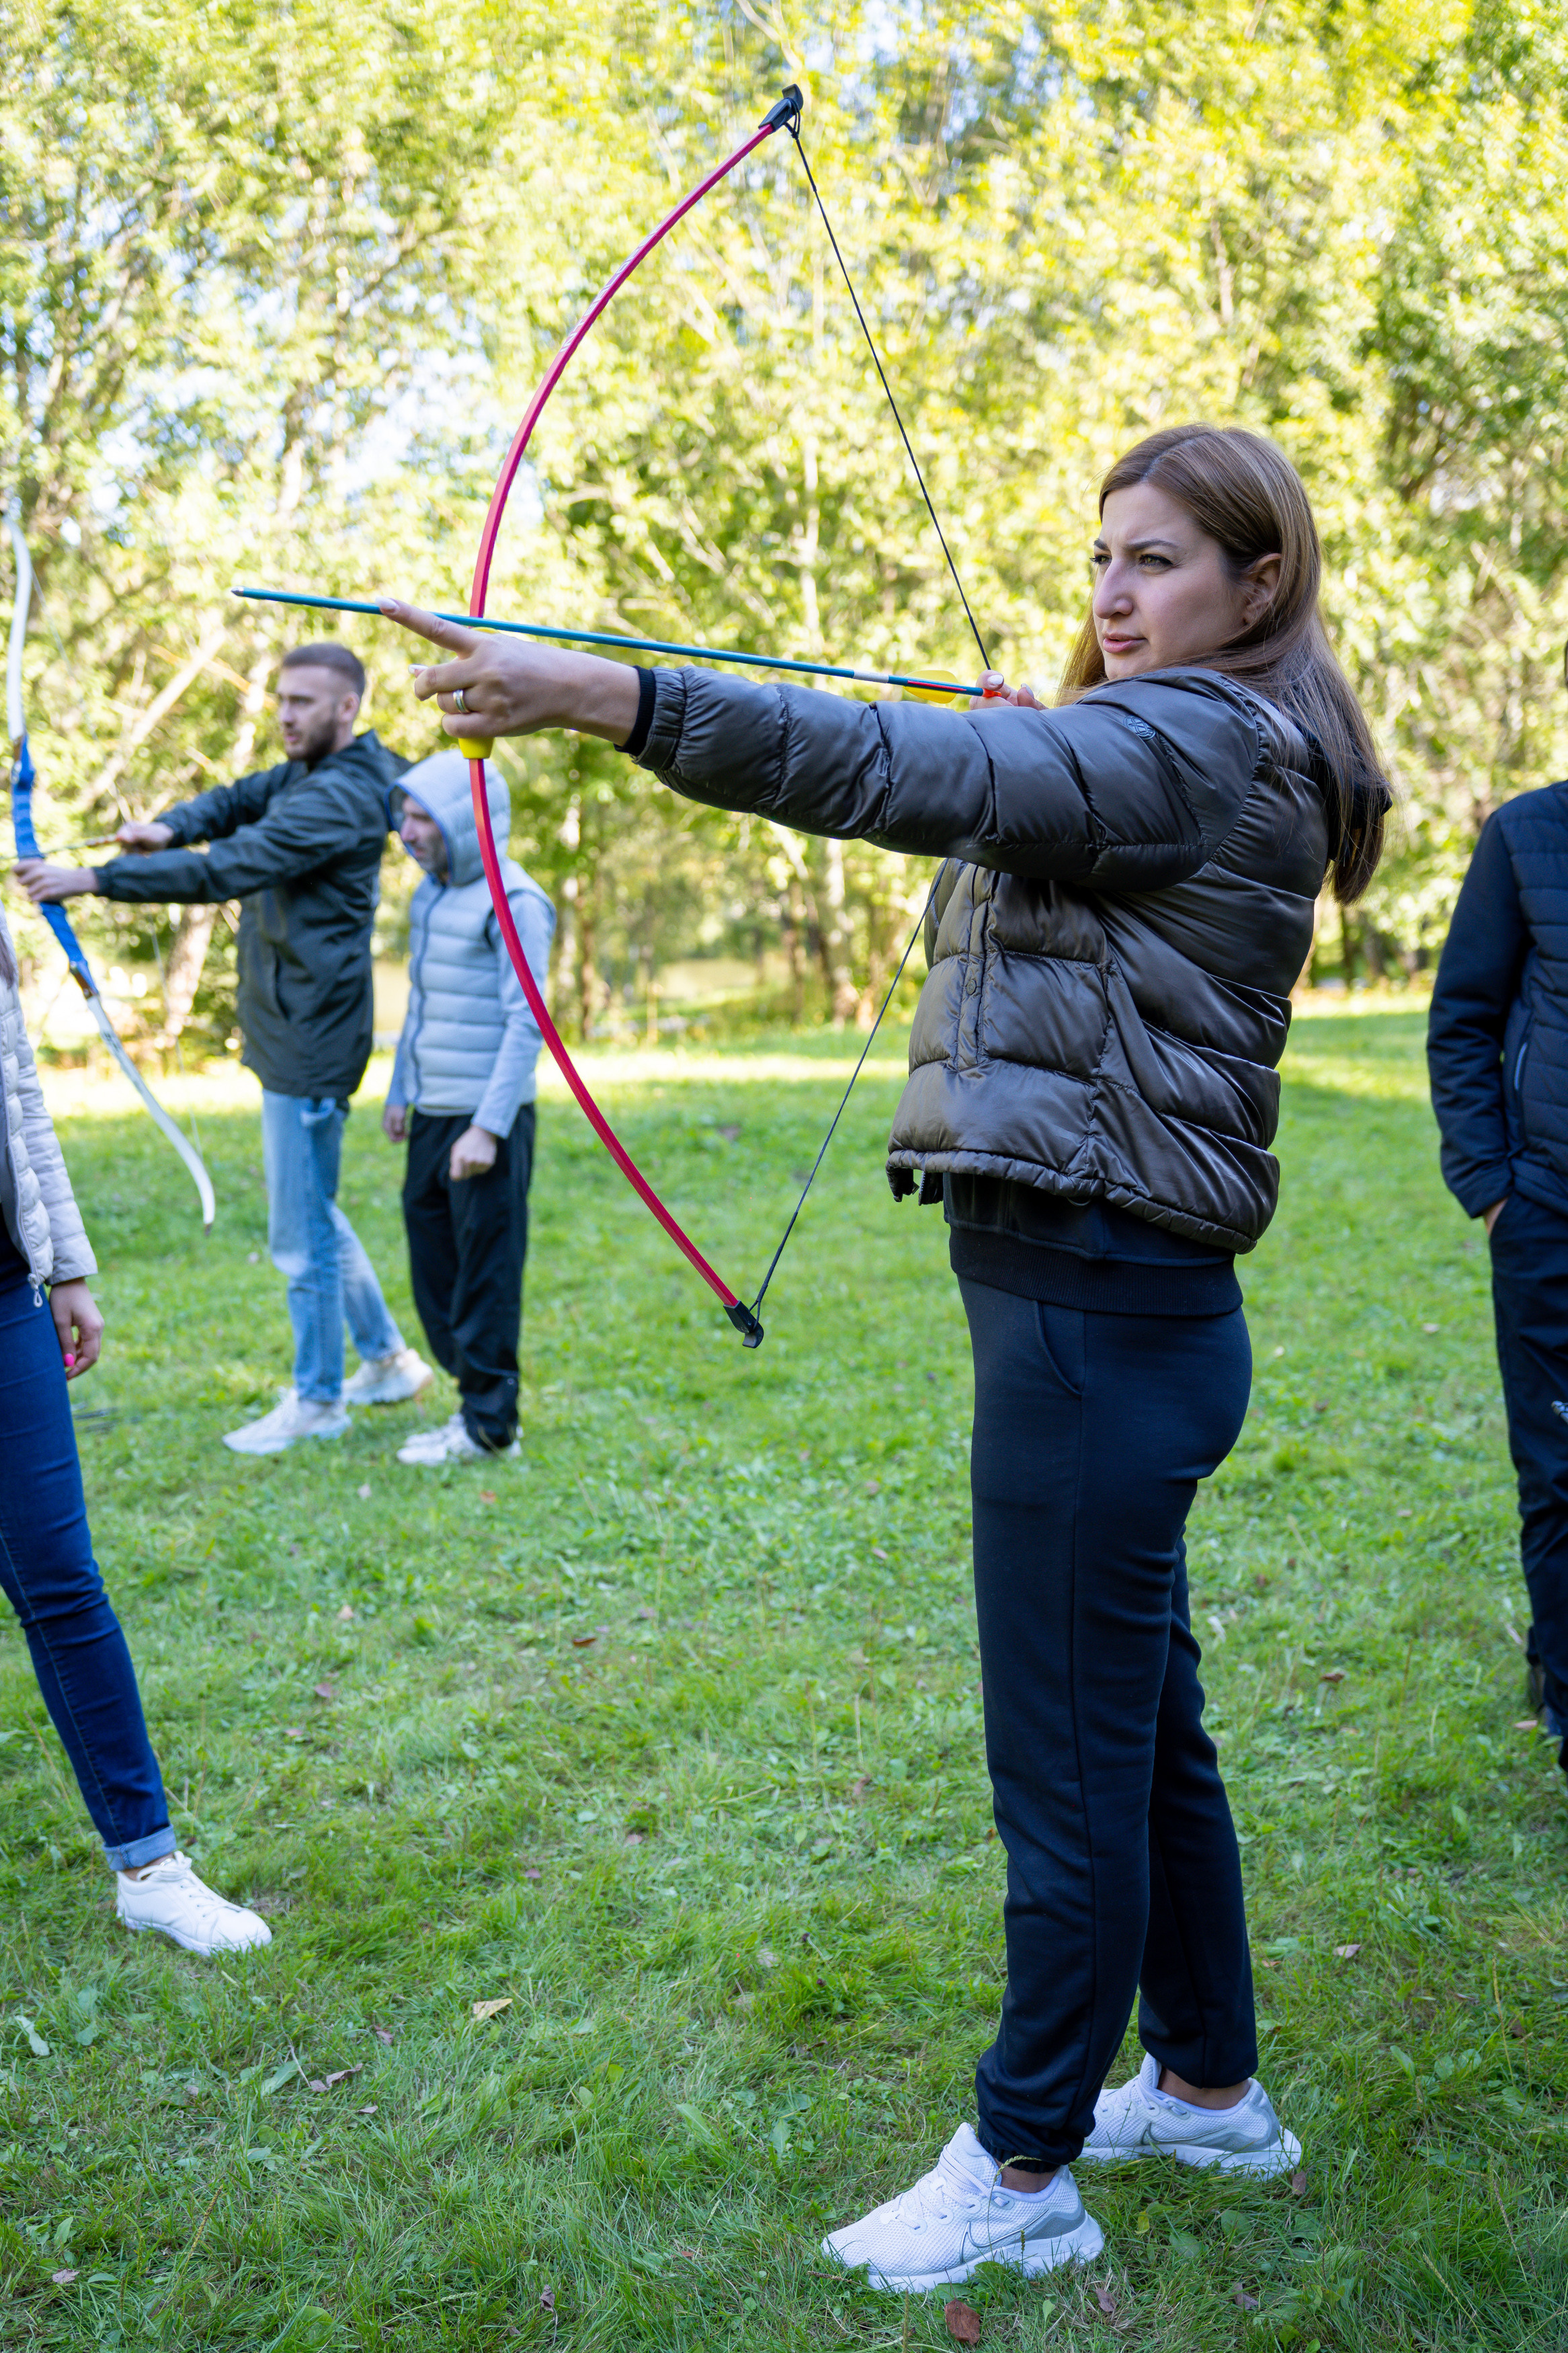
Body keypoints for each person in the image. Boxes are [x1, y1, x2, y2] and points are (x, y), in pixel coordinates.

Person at [379, 421, 1389, 2292]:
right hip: (1112, 1310)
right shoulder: (1183, 736)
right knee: (1139, 1735)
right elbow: (1021, 840)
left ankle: (1022, 2167)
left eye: (1159, 559)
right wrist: (1038, 751)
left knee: (1066, 1766)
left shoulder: (1191, 738)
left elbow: (884, 763)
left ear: (1259, 583)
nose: (1112, 591)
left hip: (1095, 1317)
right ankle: (1206, 2086)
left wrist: (600, 692)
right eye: (1102, 554)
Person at [15, 642, 431, 1455]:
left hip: (311, 1038)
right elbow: (239, 800)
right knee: (314, 1211)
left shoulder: (344, 793)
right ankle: (387, 1361)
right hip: (291, 1027)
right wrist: (171, 825)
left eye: (304, 701)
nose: (286, 714)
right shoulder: (308, 772)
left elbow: (231, 868)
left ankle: (319, 1400)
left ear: (347, 707)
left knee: (300, 1234)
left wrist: (95, 880)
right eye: (281, 698)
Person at [0, 902, 271, 1952]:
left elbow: (21, 1100)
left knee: (62, 1583)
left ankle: (150, 1866)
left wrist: (65, 1264)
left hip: (6, 1294)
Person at [1428, 733, 1568, 1778]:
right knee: (1558, 1467)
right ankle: (1562, 1681)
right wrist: (1492, 1189)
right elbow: (1464, 1018)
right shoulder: (1525, 834)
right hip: (1546, 1212)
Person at [382, 751, 554, 1463]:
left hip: (487, 1121)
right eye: (404, 816)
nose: (407, 832)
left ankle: (489, 1427)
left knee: (484, 1271)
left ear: (464, 819)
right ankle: (474, 1395)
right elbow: (422, 1001)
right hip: (433, 1110)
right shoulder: (431, 896)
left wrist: (487, 1127)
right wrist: (401, 1088)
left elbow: (527, 1020)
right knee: (433, 1263)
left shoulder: (515, 900)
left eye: (422, 817)